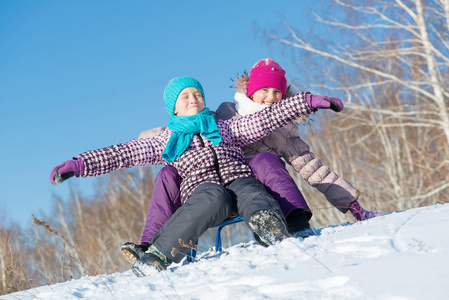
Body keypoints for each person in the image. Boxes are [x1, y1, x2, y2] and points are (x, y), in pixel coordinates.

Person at [50, 75, 343, 276]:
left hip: (238, 178)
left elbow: (265, 119)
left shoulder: (225, 127)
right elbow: (122, 153)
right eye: (185, 96)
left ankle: (270, 228)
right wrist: (79, 164)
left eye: (197, 94)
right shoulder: (165, 139)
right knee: (211, 198)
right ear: (173, 107)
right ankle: (159, 254)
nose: (193, 99)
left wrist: (308, 102)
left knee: (253, 191)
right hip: (202, 189)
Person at [121, 58, 381, 263]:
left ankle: (293, 222)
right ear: (250, 91)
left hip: (250, 185)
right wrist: (147, 144)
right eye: (264, 90)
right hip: (205, 183)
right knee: (168, 174)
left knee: (265, 160)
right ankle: (150, 245)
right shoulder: (225, 115)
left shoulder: (282, 129)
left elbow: (314, 170)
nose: (270, 97)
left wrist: (353, 205)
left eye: (277, 92)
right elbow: (183, 126)